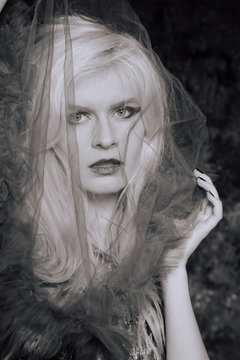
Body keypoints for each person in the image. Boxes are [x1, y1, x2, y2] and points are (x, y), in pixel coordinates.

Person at [0, 0, 222, 359]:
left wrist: (173, 270)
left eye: (124, 112)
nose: (105, 138)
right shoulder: (17, 263)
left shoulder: (145, 260)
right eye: (78, 116)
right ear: (47, 131)